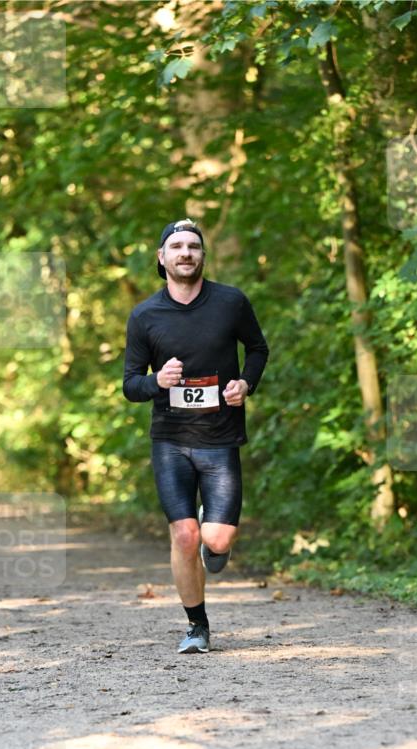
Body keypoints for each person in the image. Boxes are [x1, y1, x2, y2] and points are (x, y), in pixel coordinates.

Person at [123, 219, 269, 653]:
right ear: (162, 257)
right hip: (170, 440)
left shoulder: (230, 302)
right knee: (184, 534)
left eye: (193, 246)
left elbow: (258, 349)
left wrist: (245, 383)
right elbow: (131, 385)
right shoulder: (145, 315)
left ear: (202, 256)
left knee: (217, 540)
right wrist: (156, 382)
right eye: (177, 246)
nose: (185, 253)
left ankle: (213, 534)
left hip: (220, 437)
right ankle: (196, 626)